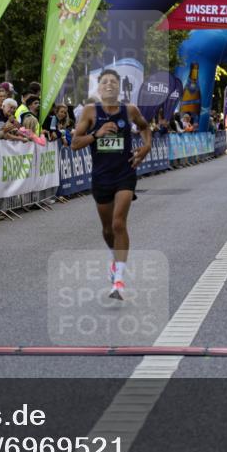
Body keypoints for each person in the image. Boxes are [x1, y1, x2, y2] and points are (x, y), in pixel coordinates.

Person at [70, 68, 152, 300]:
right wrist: (97, 134)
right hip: (101, 176)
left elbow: (145, 127)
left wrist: (146, 147)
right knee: (107, 229)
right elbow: (75, 143)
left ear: (119, 87)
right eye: (105, 82)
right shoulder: (90, 111)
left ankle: (119, 280)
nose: (109, 85)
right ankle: (114, 257)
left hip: (125, 172)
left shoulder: (130, 110)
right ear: (99, 88)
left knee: (118, 223)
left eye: (113, 82)